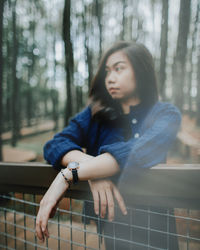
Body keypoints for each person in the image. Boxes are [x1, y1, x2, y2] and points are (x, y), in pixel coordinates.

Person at [35, 41, 181, 249]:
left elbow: (137, 150)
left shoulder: (165, 114)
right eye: (107, 71)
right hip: (112, 225)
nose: (110, 78)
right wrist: (94, 171)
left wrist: (69, 174)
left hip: (156, 227)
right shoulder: (95, 116)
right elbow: (55, 144)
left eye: (119, 68)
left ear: (141, 70)